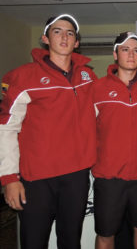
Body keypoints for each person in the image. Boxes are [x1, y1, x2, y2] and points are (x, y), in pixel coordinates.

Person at [0, 14, 97, 249]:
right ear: (45, 38)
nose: (64, 36)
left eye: (70, 33)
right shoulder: (22, 77)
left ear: (76, 42)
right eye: (57, 31)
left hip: (76, 175)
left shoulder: (88, 76)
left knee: (71, 240)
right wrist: (9, 178)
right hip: (37, 178)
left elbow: (100, 117)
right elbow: (6, 128)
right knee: (34, 241)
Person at [92, 32, 137, 249]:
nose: (131, 54)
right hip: (109, 177)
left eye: (136, 50)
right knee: (105, 233)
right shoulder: (97, 88)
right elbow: (86, 131)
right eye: (125, 49)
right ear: (115, 54)